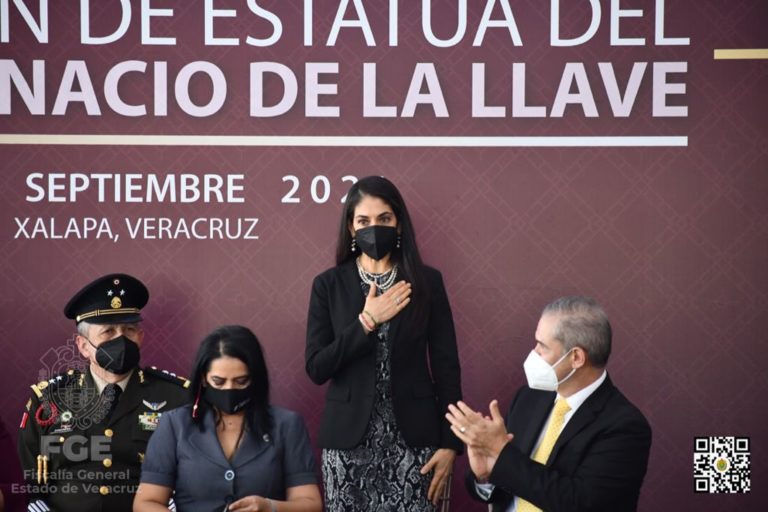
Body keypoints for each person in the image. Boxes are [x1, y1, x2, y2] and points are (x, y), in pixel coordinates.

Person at [305, 175, 463, 510]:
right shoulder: (328, 285)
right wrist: (367, 321)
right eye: (363, 221)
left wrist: (451, 443)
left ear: (399, 224)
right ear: (351, 228)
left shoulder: (427, 282)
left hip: (415, 444)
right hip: (347, 447)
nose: (373, 228)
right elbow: (317, 367)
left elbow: (447, 367)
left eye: (384, 219)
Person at [447, 296, 652, 512]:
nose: (533, 353)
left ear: (576, 357)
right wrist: (484, 476)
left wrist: (501, 453)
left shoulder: (624, 426)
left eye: (542, 346)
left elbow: (580, 503)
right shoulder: (528, 398)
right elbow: (504, 482)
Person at [17, 273, 190, 512]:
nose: (121, 340)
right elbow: (30, 481)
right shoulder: (49, 400)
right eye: (108, 332)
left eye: (129, 330)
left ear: (140, 337)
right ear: (83, 346)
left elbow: (192, 474)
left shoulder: (175, 398)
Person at [134, 325, 321, 512]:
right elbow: (146, 503)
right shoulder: (174, 424)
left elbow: (310, 503)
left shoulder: (287, 425)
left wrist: (270, 507)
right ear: (203, 378)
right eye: (219, 381)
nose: (229, 389)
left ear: (255, 378)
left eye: (241, 381)